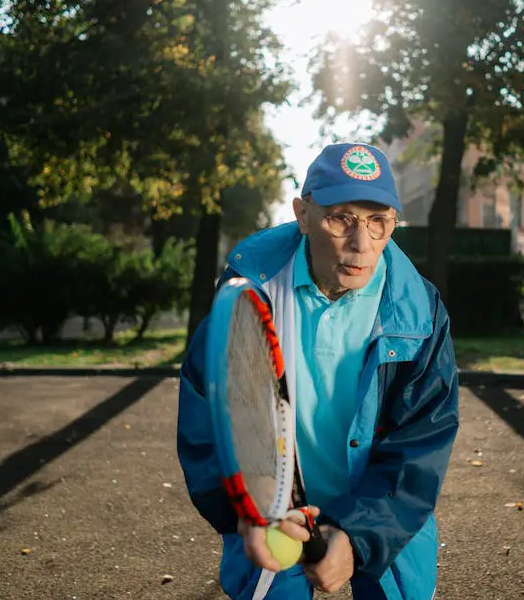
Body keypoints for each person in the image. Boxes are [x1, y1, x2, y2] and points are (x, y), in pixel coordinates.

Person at [177, 142, 460, 599]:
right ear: (303, 214)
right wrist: (245, 513)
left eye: (378, 221)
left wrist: (357, 536)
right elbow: (205, 415)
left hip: (383, 504)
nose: (361, 243)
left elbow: (421, 442)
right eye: (341, 217)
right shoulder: (251, 295)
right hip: (276, 512)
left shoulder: (419, 312)